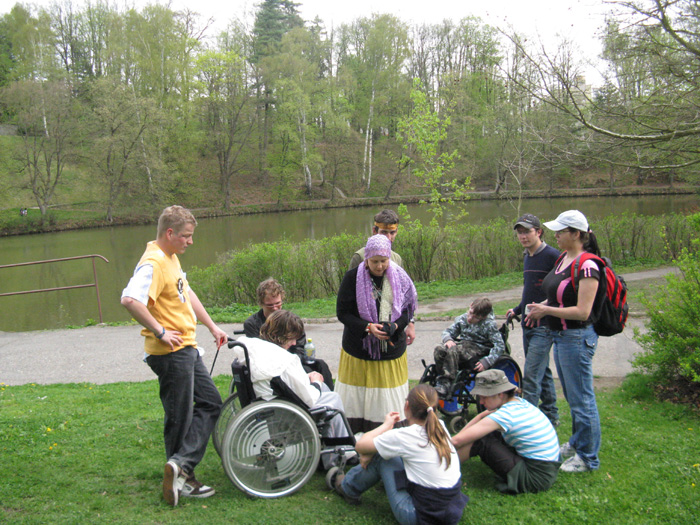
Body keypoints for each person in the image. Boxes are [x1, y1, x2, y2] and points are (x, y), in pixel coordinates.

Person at [120, 205, 226, 507]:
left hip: (186, 348)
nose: (190, 241)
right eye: (186, 236)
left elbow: (186, 293)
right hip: (171, 353)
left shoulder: (170, 258)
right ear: (170, 233)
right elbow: (129, 299)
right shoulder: (153, 262)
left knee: (210, 402)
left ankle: (180, 465)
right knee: (179, 417)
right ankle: (183, 476)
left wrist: (212, 326)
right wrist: (160, 331)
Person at [525, 209, 602, 473]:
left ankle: (588, 458)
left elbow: (583, 311)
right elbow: (559, 296)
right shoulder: (563, 259)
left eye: (561, 231)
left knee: (582, 399)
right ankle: (577, 442)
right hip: (561, 336)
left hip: (577, 337)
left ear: (576, 234)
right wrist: (541, 306)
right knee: (572, 396)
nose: (556, 235)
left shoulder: (588, 266)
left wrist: (546, 310)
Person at [332, 384, 468, 525]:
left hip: (420, 516)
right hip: (451, 512)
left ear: (407, 406)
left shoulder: (405, 436)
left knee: (382, 457)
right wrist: (371, 451)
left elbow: (360, 445)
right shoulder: (440, 427)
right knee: (388, 451)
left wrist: (386, 425)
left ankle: (347, 488)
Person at [234, 310, 349, 465]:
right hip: (285, 412)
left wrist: (306, 379)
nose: (295, 343)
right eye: (292, 338)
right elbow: (309, 398)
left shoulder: (255, 349)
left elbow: (287, 381)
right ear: (282, 336)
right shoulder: (286, 360)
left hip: (266, 401)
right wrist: (315, 382)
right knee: (333, 399)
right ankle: (337, 454)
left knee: (324, 389)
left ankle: (338, 445)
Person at [336, 234, 417, 433]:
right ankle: (355, 434)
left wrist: (396, 326)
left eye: (383, 261)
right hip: (359, 349)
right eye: (374, 262)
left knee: (386, 397)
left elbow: (407, 310)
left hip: (391, 350)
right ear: (366, 259)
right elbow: (343, 313)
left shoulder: (400, 277)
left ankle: (389, 432)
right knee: (357, 397)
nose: (380, 266)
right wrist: (368, 327)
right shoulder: (352, 278)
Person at [451, 369, 561, 494]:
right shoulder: (518, 403)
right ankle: (447, 463)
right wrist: (477, 418)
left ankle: (444, 468)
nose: (481, 402)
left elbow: (457, 441)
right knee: (483, 432)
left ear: (500, 394)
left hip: (536, 477)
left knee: (482, 439)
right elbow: (481, 417)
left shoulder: (506, 415)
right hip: (547, 470)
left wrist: (441, 449)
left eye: (484, 397)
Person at [506, 214, 561, 426]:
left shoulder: (553, 256)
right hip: (528, 323)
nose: (523, 236)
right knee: (542, 372)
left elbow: (563, 291)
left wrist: (544, 308)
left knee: (531, 375)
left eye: (527, 232)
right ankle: (551, 415)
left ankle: (527, 424)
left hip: (544, 326)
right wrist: (517, 310)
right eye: (520, 233)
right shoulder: (527, 256)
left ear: (539, 232)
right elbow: (531, 291)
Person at [243, 278, 334, 388]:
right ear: (261, 303)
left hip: (294, 360)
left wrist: (292, 361)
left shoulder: (291, 320)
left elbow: (300, 348)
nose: (275, 308)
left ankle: (328, 395)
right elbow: (259, 353)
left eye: (278, 303)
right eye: (270, 305)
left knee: (321, 365)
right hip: (271, 368)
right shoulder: (252, 324)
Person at [349, 209, 415, 346]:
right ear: (374, 231)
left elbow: (404, 297)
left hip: (391, 325)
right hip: (365, 328)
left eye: (392, 232)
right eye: (384, 232)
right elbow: (349, 297)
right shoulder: (359, 258)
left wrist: (410, 324)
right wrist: (365, 326)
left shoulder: (396, 259)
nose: (389, 237)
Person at [433, 298, 505, 397]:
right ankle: (440, 379)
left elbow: (500, 345)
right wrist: (448, 339)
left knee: (454, 350)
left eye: (476, 317)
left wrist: (487, 361)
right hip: (463, 345)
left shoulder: (489, 325)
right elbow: (448, 331)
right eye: (470, 313)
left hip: (478, 349)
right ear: (471, 305)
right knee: (439, 349)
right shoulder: (463, 319)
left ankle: (447, 382)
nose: (470, 318)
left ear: (483, 317)